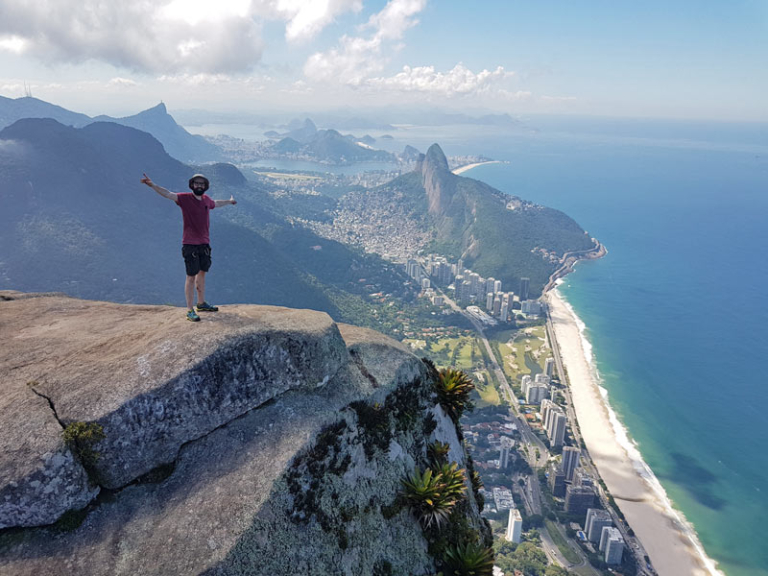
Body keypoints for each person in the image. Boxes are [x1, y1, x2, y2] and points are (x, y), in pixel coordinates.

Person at [140, 173, 237, 322]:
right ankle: (190, 310)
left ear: (205, 187)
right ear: (192, 185)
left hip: (204, 243)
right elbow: (167, 194)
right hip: (190, 244)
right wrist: (152, 185)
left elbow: (216, 203)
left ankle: (201, 303)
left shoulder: (206, 200)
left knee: (202, 273)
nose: (199, 186)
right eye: (196, 183)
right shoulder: (185, 199)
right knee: (191, 277)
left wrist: (230, 202)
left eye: (202, 184)